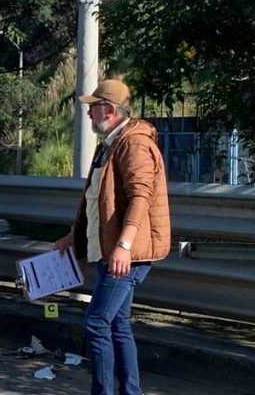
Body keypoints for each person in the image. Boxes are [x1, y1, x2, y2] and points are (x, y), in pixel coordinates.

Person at [54, 79, 171, 395]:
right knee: (117, 325)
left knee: (96, 324)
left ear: (109, 109)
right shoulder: (111, 143)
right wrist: (72, 237)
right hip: (115, 251)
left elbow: (140, 197)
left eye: (93, 107)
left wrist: (124, 246)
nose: (89, 114)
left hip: (126, 255)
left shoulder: (134, 144)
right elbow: (98, 201)